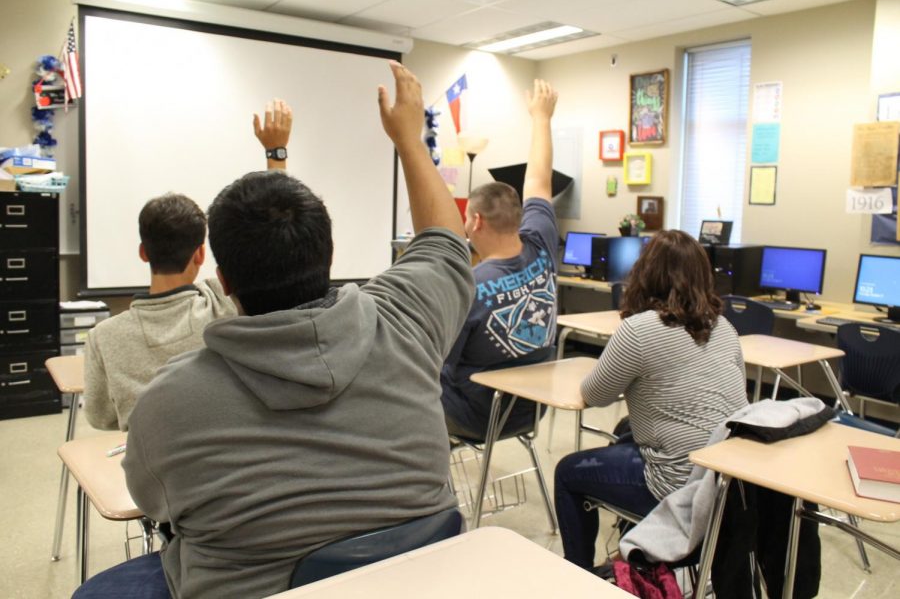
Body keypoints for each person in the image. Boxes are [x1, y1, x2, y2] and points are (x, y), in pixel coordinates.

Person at [73, 63, 474, 599]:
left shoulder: (168, 402)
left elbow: (154, 505)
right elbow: (446, 243)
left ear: (223, 280)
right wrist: (408, 139)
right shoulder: (406, 320)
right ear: (328, 255)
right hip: (412, 581)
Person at [82, 99, 292, 431]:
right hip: (222, 458)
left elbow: (98, 417)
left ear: (143, 252)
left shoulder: (103, 337)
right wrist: (276, 153)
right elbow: (271, 245)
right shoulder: (220, 310)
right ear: (200, 254)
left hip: (147, 473)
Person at [553, 229, 748, 571]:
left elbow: (595, 394)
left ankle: (578, 576)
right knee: (625, 427)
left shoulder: (639, 331)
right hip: (728, 485)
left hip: (678, 486)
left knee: (567, 472)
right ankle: (639, 553)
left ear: (644, 272)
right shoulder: (724, 327)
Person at [440, 79, 559, 440]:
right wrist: (542, 118)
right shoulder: (541, 243)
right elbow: (540, 178)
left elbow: (439, 367)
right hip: (532, 409)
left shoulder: (468, 285)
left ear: (476, 221)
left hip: (477, 418)